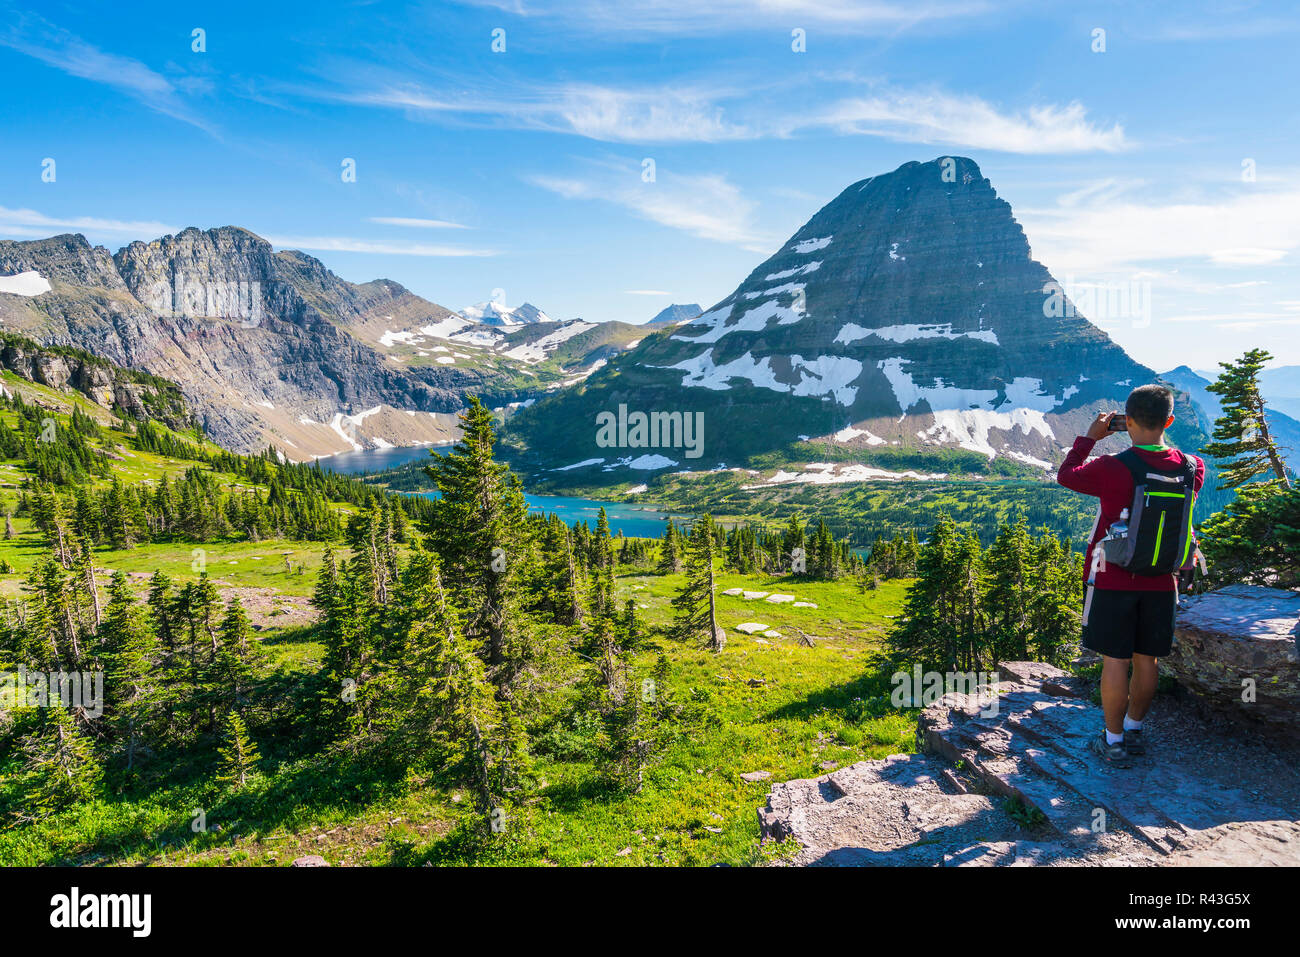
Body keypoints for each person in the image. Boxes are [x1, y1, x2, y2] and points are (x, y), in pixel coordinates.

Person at [1057, 385, 1204, 768]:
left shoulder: (1112, 468)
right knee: (1147, 660)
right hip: (1162, 580)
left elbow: (1067, 475)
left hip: (1112, 578)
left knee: (1115, 661)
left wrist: (1090, 438)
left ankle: (1114, 741)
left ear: (1128, 421)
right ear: (1169, 421)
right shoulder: (1193, 467)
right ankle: (1135, 729)